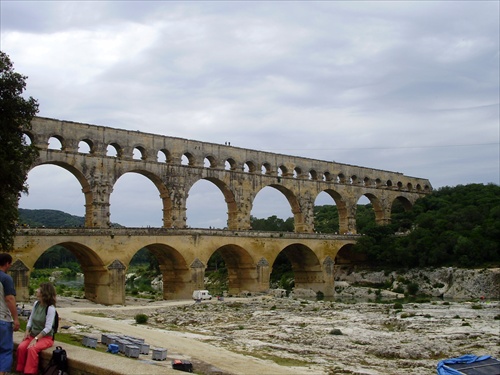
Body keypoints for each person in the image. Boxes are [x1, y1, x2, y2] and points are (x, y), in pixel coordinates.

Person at [16, 283, 57, 374]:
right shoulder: (36, 304)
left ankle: (30, 372)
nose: (36, 290)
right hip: (33, 334)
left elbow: (48, 328)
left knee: (32, 349)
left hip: (45, 338)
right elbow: (31, 319)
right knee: (21, 347)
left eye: (39, 289)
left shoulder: (50, 308)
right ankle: (20, 369)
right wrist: (27, 330)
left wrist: (36, 339)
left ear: (44, 292)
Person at [0, 253, 20, 375]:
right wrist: (16, 318)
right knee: (5, 350)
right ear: (7, 263)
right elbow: (9, 299)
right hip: (2, 319)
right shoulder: (6, 278)